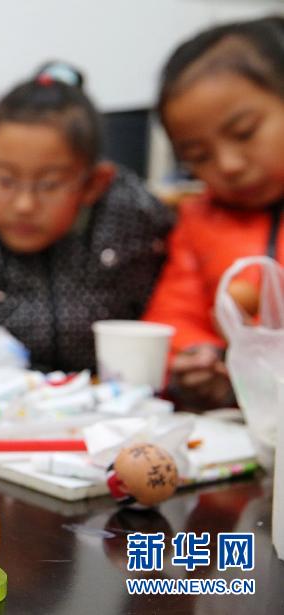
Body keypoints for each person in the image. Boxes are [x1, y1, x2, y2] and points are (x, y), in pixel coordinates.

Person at [0, 63, 174, 373]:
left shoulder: (135, 223)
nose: (24, 205)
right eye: (6, 181)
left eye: (49, 184)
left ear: (94, 183)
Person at [143, 17, 284, 409]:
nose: (229, 165)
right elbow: (174, 319)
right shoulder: (197, 223)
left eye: (244, 132)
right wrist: (197, 357)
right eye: (199, 156)